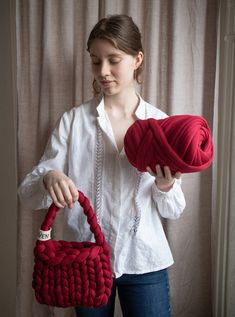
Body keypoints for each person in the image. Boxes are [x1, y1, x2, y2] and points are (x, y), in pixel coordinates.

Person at [18, 14, 186, 317]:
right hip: (85, 262)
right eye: (96, 61)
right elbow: (27, 194)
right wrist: (49, 177)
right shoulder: (73, 122)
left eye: (113, 60)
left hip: (145, 263)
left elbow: (174, 210)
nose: (103, 72)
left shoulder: (161, 125)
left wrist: (166, 186)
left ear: (137, 59)